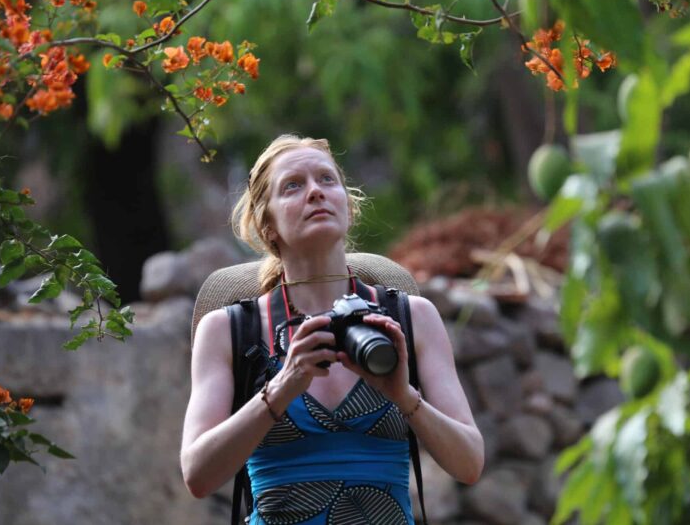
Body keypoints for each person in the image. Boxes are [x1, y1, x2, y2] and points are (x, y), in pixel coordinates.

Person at [181, 134, 484, 524]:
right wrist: (280, 388)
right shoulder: (229, 330)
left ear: (348, 207)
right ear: (267, 224)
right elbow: (197, 476)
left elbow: (470, 464)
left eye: (327, 180)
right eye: (293, 186)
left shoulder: (412, 318)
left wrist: (405, 398)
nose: (315, 193)